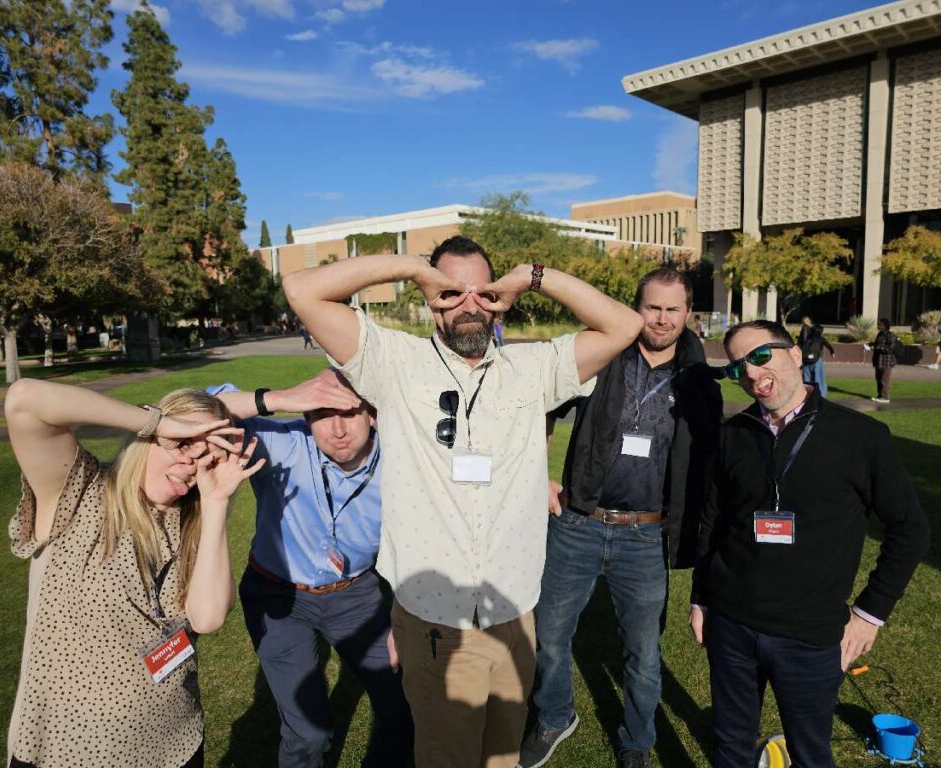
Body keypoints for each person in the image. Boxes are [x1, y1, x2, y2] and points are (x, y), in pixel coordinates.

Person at [283, 235, 642, 768]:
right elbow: (302, 289)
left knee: (502, 756)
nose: (468, 304)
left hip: (514, 611)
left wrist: (532, 275)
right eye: (451, 293)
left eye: (482, 292)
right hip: (436, 621)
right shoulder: (393, 363)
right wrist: (413, 269)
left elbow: (624, 326)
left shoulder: (534, 368)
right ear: (430, 299)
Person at [690, 320, 930, 768]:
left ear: (797, 354)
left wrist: (868, 616)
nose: (752, 373)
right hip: (732, 627)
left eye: (761, 355)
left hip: (812, 637)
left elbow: (910, 529)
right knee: (731, 747)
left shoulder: (860, 437)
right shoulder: (732, 434)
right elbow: (712, 521)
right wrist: (702, 599)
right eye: (738, 366)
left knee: (811, 754)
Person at [519, 268, 722, 768]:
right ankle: (554, 715)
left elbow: (711, 467)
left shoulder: (699, 382)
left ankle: (636, 742)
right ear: (637, 309)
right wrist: (539, 473)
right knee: (549, 636)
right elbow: (540, 404)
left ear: (688, 314)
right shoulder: (602, 356)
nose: (662, 318)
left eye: (673, 309)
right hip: (579, 523)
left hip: (646, 535)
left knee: (645, 655)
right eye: (652, 307)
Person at [3, 379, 262, 767]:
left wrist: (217, 501)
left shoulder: (191, 523)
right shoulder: (80, 492)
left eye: (205, 455)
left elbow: (206, 618)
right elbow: (25, 401)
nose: (190, 463)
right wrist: (157, 422)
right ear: (150, 436)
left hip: (174, 746)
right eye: (182, 443)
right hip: (66, 753)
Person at [209, 370, 412, 768]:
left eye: (350, 413)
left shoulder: (402, 460)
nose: (337, 429)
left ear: (372, 414)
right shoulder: (284, 442)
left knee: (401, 705)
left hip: (355, 593)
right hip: (278, 595)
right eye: (321, 413)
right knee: (308, 732)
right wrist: (278, 397)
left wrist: (405, 617)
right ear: (305, 415)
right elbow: (191, 413)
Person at [797, 316, 834, 396]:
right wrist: (832, 351)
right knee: (818, 377)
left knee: (807, 378)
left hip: (806, 359)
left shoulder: (805, 332)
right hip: (816, 360)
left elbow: (800, 344)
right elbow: (827, 344)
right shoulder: (818, 336)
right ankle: (820, 394)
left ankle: (807, 394)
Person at [871, 318, 899, 404]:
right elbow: (877, 344)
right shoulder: (880, 334)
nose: (878, 326)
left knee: (884, 379)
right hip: (878, 360)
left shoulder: (890, 335)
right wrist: (870, 345)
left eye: (880, 324)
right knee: (878, 378)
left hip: (886, 361)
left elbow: (889, 349)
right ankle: (880, 395)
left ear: (885, 326)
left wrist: (876, 347)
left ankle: (885, 397)